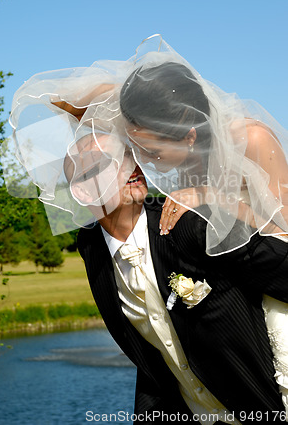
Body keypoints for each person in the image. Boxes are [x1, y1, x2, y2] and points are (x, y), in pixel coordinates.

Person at [66, 131, 288, 424]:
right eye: (108, 162)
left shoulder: (191, 222)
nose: (129, 166)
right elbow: (150, 355)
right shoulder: (91, 246)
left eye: (127, 155)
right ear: (82, 192)